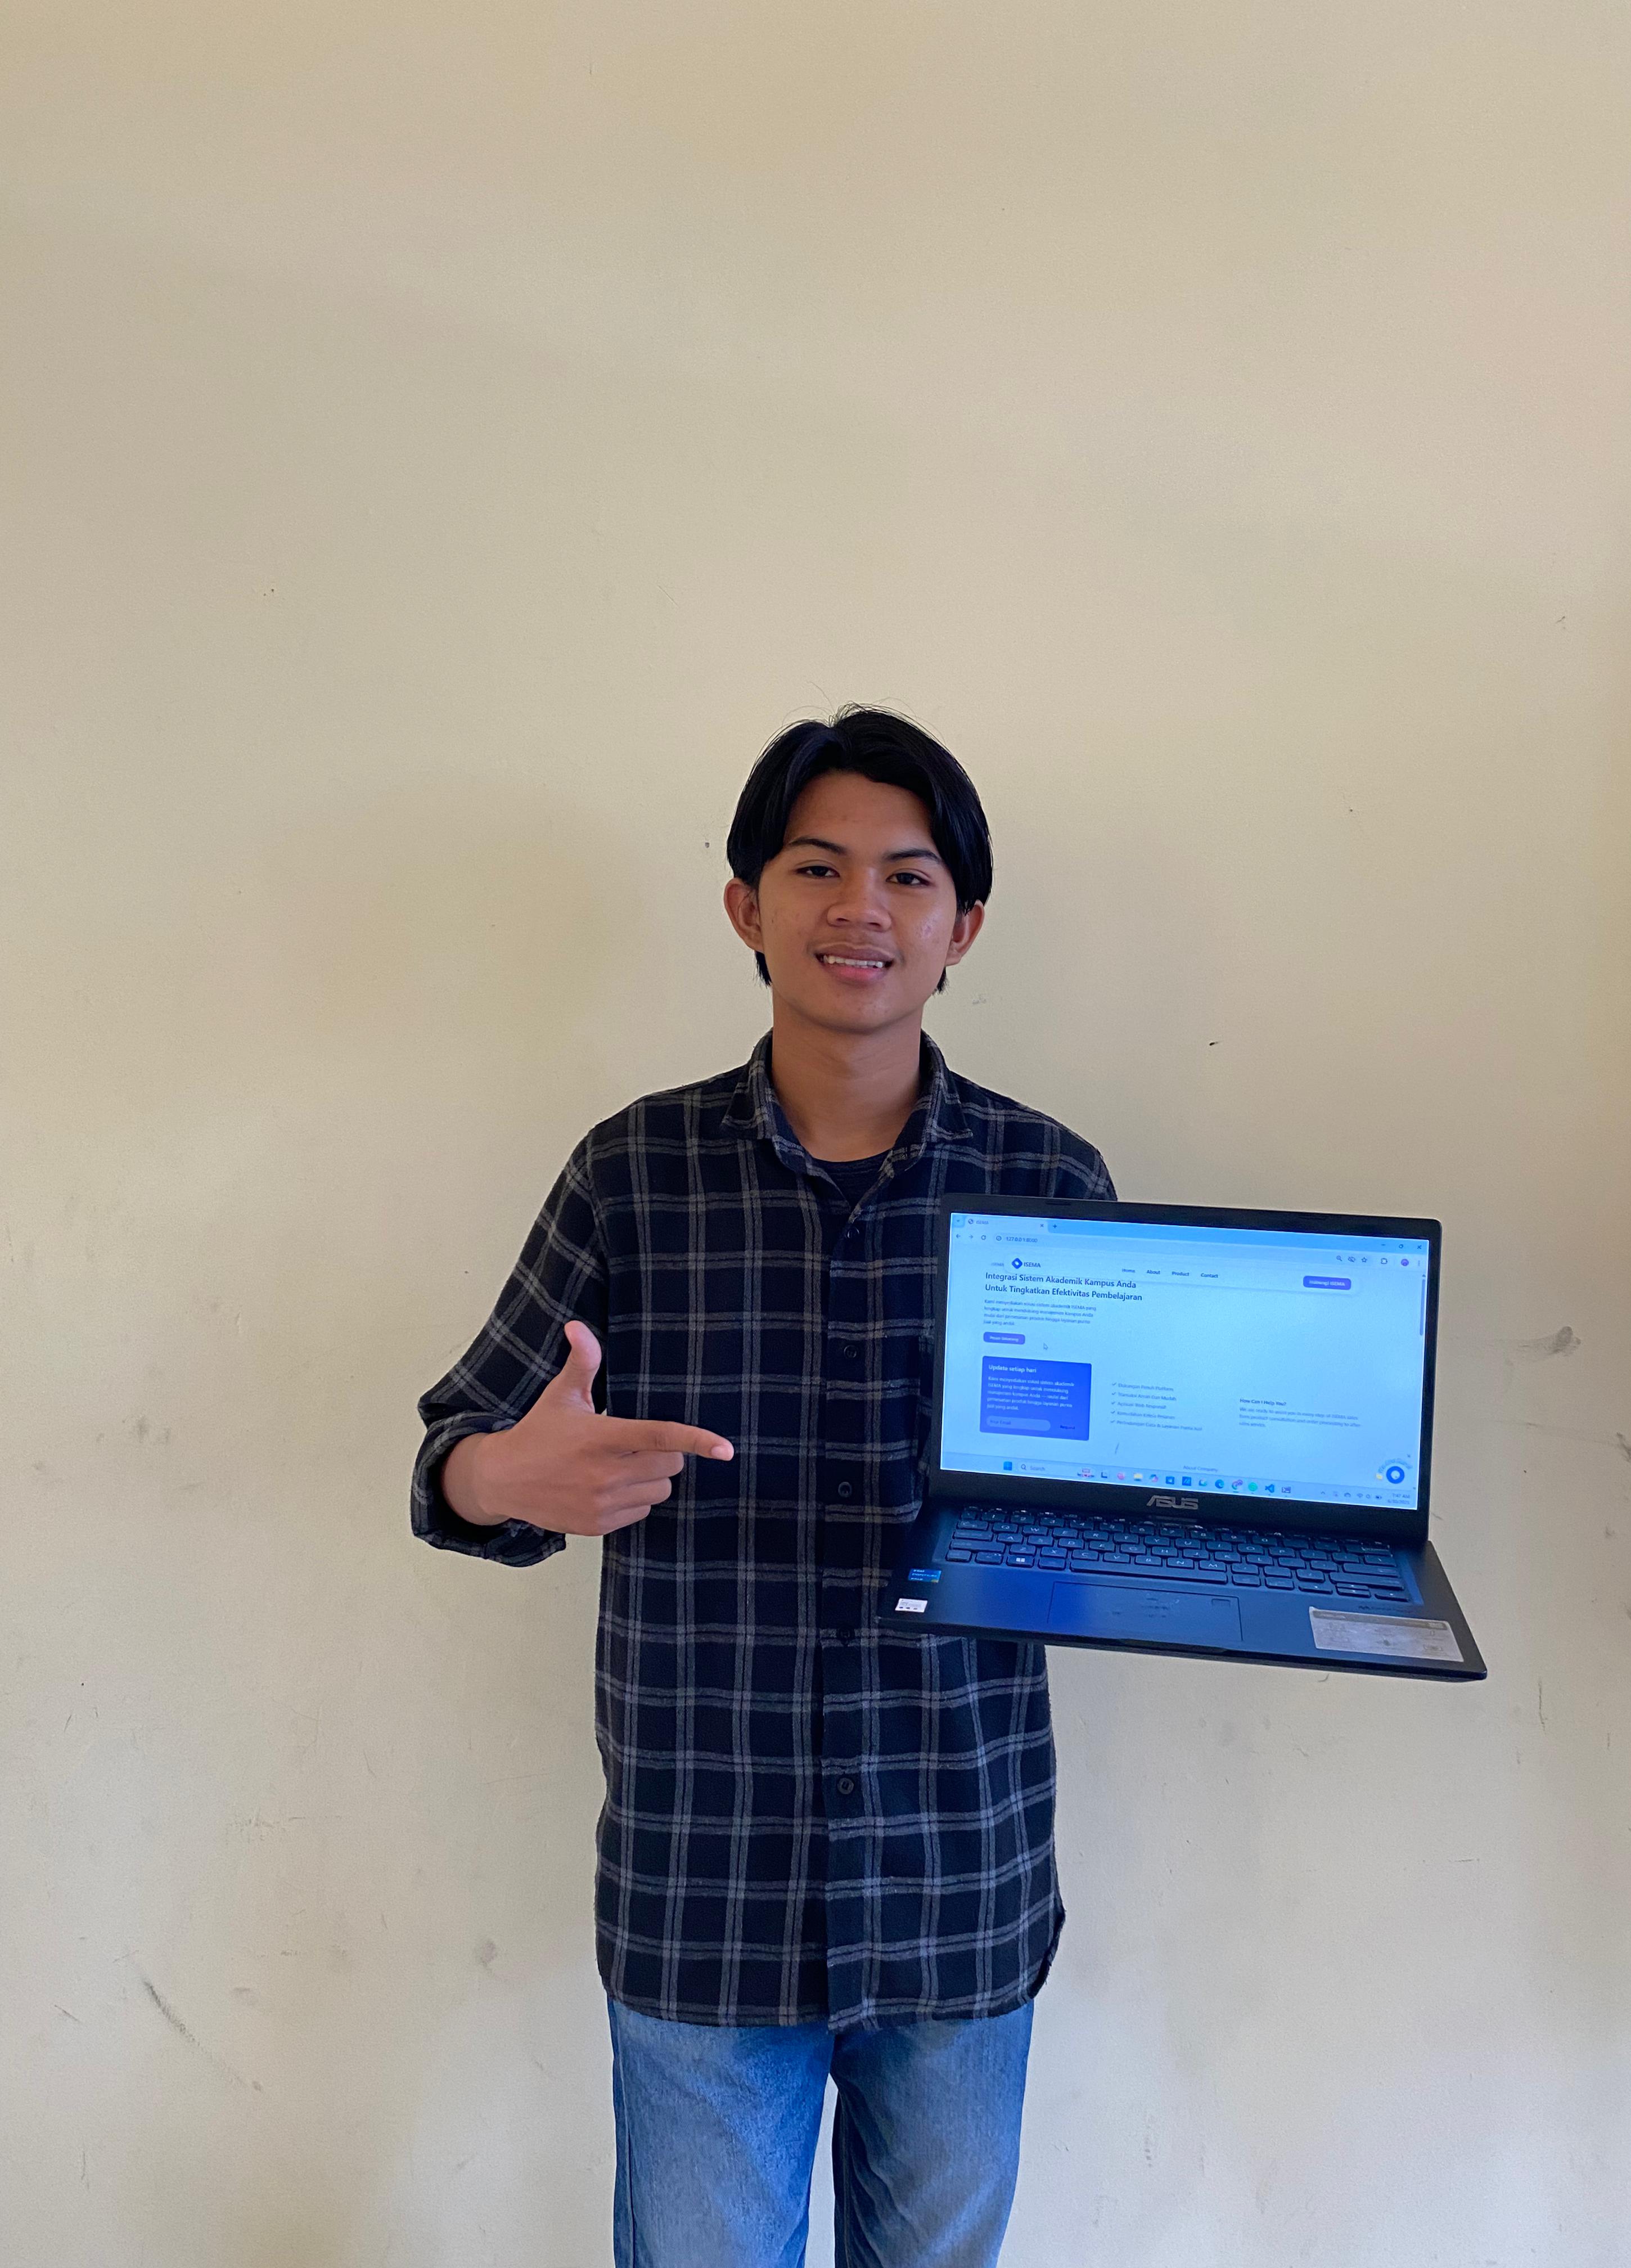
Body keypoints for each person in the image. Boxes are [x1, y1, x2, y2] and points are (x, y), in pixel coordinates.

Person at [412, 708, 1114, 2268]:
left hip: (959, 1875)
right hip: (704, 1885)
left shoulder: (1050, 1185)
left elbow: (1111, 1506)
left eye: (907, 876)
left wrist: (1222, 1540)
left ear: (963, 925)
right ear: (746, 906)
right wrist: (500, 1474)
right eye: (816, 867)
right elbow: (457, 1456)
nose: (859, 908)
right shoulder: (631, 1176)